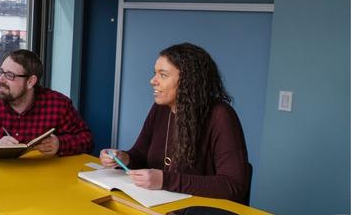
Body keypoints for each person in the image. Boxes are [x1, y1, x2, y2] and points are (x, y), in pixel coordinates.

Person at [99, 43, 251, 204]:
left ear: (188, 81)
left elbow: (233, 185)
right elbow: (141, 154)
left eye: (163, 75)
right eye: (154, 73)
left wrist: (165, 180)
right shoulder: (160, 109)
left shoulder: (221, 116)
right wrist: (125, 158)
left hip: (203, 214)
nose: (152, 81)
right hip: (159, 204)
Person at [0, 49, 93, 160]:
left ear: (30, 82)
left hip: (44, 178)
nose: (0, 79)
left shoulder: (58, 104)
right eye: (1, 72)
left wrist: (60, 144)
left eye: (9, 75)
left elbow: (87, 140)